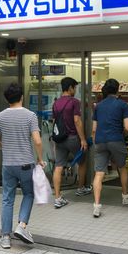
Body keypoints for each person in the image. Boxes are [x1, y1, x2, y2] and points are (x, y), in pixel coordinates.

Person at [0, 83, 45, 249]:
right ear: (22, 97)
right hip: (26, 164)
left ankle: (5, 237)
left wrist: (6, 147)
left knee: (7, 198)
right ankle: (21, 226)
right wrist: (40, 159)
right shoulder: (30, 116)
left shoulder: (0, 116)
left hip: (8, 164)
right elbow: (37, 140)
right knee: (28, 194)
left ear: (7, 99)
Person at [92, 78, 128, 218]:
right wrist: (123, 133)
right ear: (117, 89)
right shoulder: (123, 105)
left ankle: (97, 206)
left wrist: (96, 141)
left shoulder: (98, 106)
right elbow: (127, 127)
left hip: (100, 140)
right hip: (116, 139)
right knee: (122, 168)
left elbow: (94, 129)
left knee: (99, 173)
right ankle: (125, 196)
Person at [51, 77, 89, 208]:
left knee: (58, 166)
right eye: (75, 87)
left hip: (59, 138)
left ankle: (57, 197)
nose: (76, 90)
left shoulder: (55, 103)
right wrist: (83, 139)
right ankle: (80, 188)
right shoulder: (74, 102)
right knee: (82, 161)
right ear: (70, 88)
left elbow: (55, 120)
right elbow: (77, 121)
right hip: (72, 138)